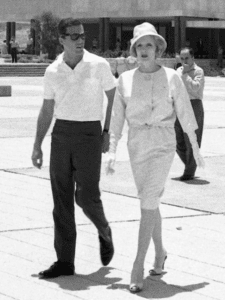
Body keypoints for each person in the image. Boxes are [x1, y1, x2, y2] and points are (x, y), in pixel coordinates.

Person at [106, 22, 204, 293]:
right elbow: (116, 119)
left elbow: (185, 112)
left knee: (148, 199)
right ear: (134, 49)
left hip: (162, 141)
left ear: (158, 48)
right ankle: (160, 252)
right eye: (140, 45)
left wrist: (194, 147)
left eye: (149, 44)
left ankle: (138, 264)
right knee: (149, 201)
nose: (144, 49)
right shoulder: (124, 79)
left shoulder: (172, 77)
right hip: (137, 143)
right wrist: (112, 151)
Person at [31, 18, 116, 279]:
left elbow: (113, 97)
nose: (81, 40)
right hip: (62, 135)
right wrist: (37, 145)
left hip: (90, 134)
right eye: (74, 36)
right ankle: (65, 261)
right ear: (62, 39)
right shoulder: (53, 70)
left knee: (87, 196)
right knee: (62, 199)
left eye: (82, 35)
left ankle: (104, 231)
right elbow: (47, 109)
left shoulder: (98, 64)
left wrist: (106, 132)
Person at [176, 47, 205, 181]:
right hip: (180, 105)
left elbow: (195, 88)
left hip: (194, 105)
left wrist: (186, 75)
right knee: (177, 139)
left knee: (192, 140)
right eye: (182, 58)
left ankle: (189, 171)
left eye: (187, 58)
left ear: (193, 58)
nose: (184, 61)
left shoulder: (198, 71)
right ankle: (190, 164)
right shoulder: (178, 71)